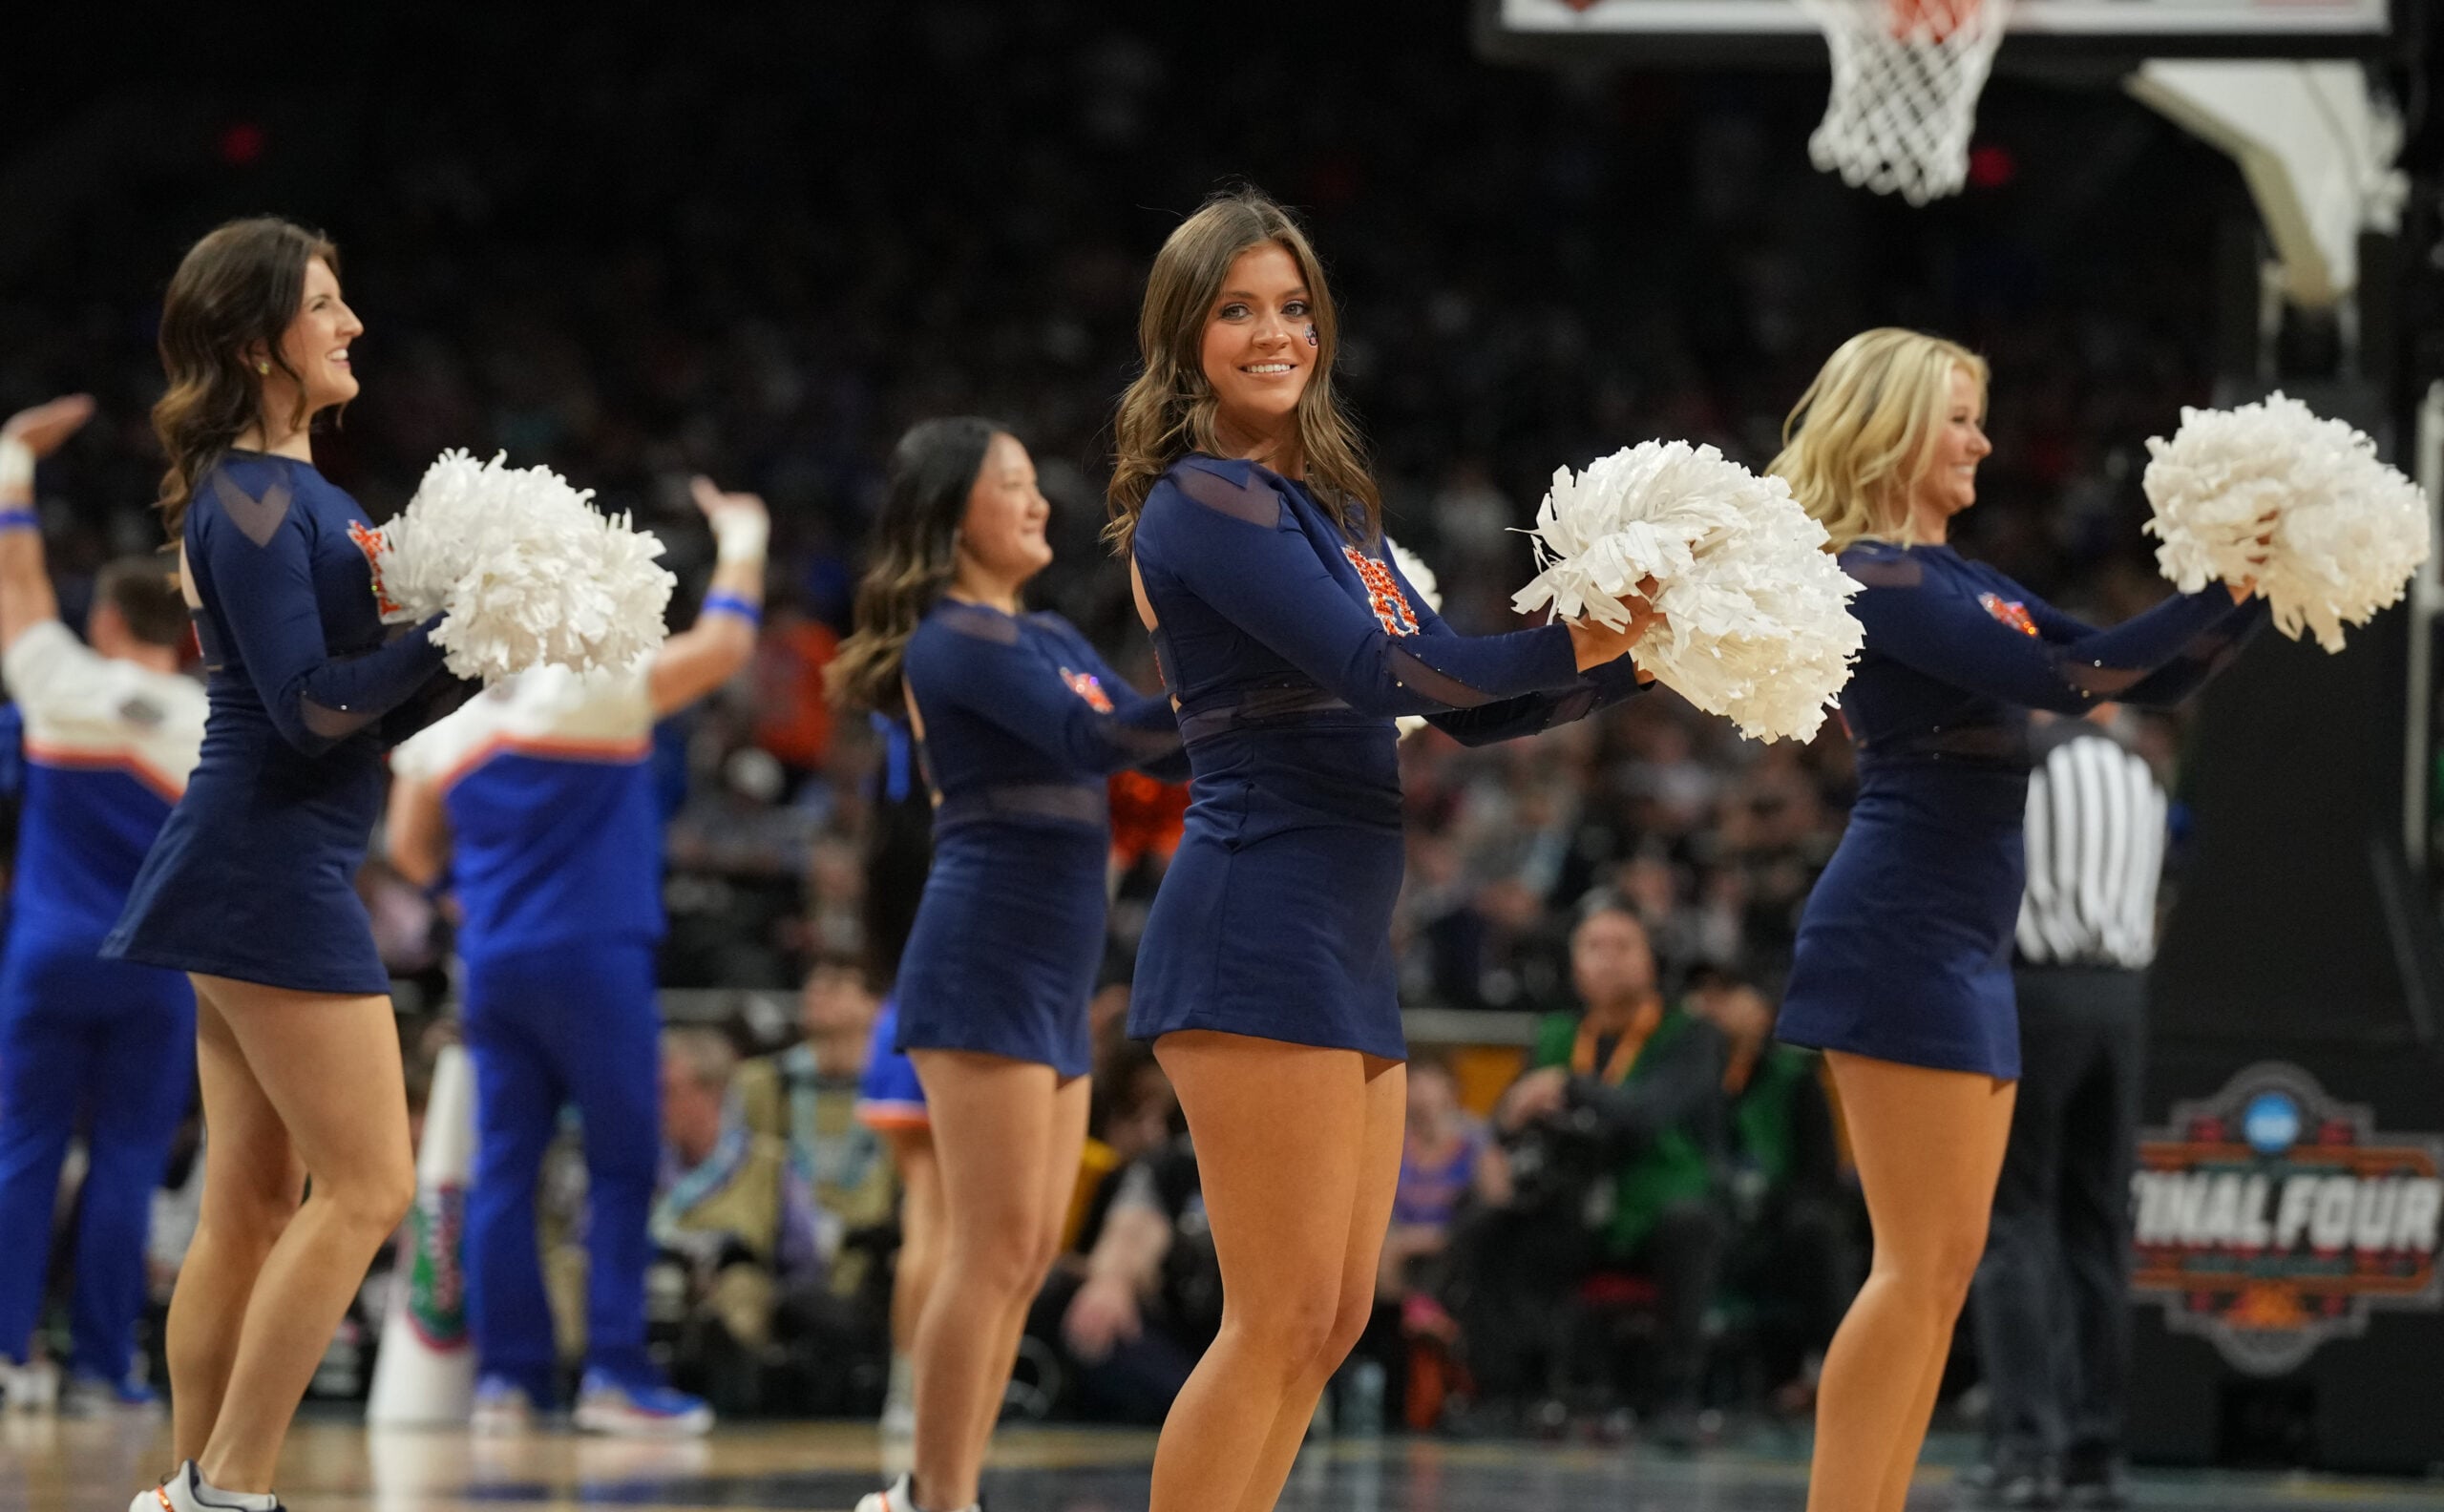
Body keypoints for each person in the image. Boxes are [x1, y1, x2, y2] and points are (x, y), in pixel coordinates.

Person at [1111, 188, 1656, 1512]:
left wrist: (1647, 649)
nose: (1273, 332)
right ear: (1185, 337)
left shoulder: (1336, 514)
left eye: (1293, 307)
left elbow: (1467, 707)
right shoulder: (1200, 502)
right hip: (1254, 922)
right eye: (1236, 310)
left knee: (1330, 1318)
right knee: (1272, 1316)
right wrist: (1580, 637)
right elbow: (1378, 668)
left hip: (1338, 942)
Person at [1766, 328, 2267, 1512]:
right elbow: (2065, 683)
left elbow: (2136, 672)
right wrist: (2220, 584)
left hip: (1972, 950)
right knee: (1909, 1271)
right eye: (1957, 416)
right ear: (1889, 427)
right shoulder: (1870, 576)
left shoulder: (1964, 578)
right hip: (1896, 935)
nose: (1982, 439)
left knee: (1942, 1276)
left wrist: (2250, 585)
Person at [103, 218, 478, 1512]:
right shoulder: (253, 497)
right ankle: (225, 1488)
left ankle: (192, 1488)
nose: (351, 324)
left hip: (257, 860)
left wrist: (475, 647)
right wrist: (453, 634)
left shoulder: (302, 492)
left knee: (252, 1206)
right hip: (266, 866)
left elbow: (365, 710)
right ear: (261, 340)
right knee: (369, 1184)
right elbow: (312, 706)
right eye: (326, 305)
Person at [828, 418, 1188, 1512]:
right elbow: (1099, 743)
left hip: (1050, 978)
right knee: (987, 1254)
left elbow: (1135, 734)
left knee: (1025, 1256)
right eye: (1014, 486)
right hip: (982, 961)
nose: (1039, 503)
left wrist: (1264, 705)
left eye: (1036, 485)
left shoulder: (1048, 638)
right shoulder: (949, 640)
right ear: (952, 517)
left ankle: (944, 1491)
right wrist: (1239, 677)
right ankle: (931, 1498)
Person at [384, 472, 768, 1434]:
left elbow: (405, 850)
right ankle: (614, 1376)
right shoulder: (601, 685)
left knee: (507, 1171)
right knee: (619, 1167)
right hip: (595, 957)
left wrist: (460, 895)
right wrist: (745, 537)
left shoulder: (449, 727)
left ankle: (507, 1386)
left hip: (496, 965)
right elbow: (725, 646)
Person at [0, 396, 206, 1414]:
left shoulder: (60, 680)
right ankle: (103, 1369)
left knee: (25, 1152)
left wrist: (11, 468)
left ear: (110, 620)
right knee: (127, 1164)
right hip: (154, 967)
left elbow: (18, 588)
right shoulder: (213, 726)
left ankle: (8, 1360)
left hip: (44, 954)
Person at [1965, 705, 2166, 1510]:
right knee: (2097, 1227)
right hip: (2121, 1001)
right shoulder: (2139, 770)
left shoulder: (2023, 762)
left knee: (2012, 1223)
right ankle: (2094, 1449)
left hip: (2036, 992)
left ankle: (2025, 1450)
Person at [1457, 898, 1727, 1437]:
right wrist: (1497, 1143)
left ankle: (1676, 1395)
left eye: (1622, 946)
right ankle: (1507, 1391)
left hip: (1658, 1200)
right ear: (1575, 963)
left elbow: (1649, 1111)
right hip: (1577, 1201)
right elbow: (1508, 1122)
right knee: (1485, 1223)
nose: (1608, 960)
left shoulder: (1691, 1033)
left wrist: (1568, 1085)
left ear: (1651, 960)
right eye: (1593, 947)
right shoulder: (1557, 1032)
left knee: (1689, 1225)